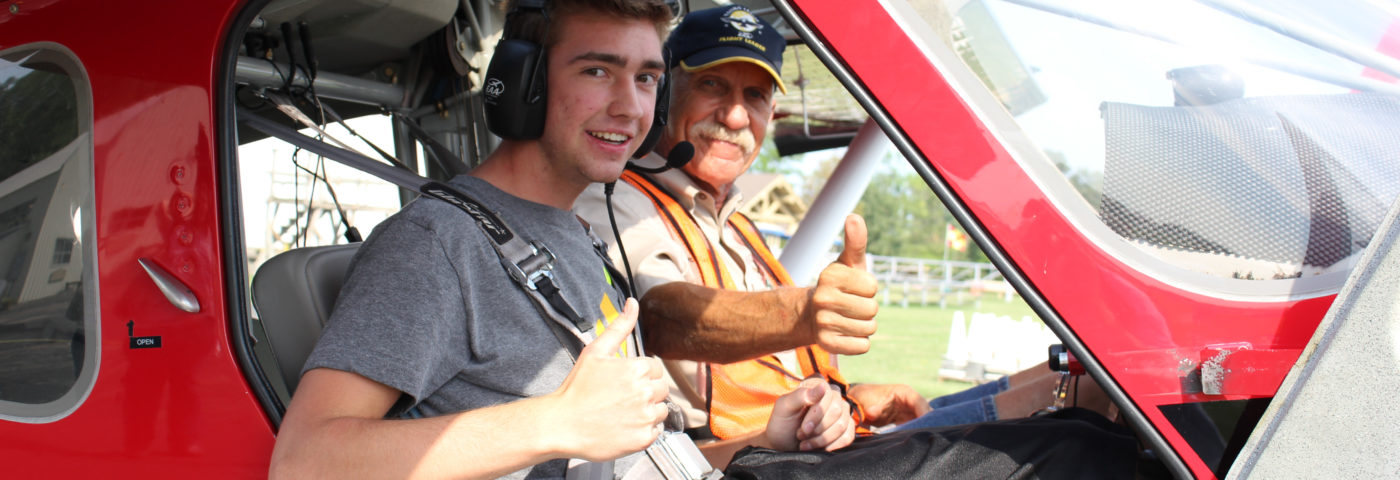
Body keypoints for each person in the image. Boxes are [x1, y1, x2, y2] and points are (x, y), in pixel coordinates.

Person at [269, 2, 853, 478]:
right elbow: (304, 462)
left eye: (646, 78)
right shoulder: (434, 245)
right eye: (597, 71)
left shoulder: (576, 237)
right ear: (524, 85)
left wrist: (765, 442)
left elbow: (629, 466)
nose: (630, 108)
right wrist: (555, 422)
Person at [574, 5, 1113, 446]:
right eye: (714, 85)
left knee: (1082, 378)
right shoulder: (617, 198)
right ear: (665, 95)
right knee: (1080, 428)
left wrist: (851, 397)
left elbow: (770, 371)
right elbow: (660, 314)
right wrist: (807, 311)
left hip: (815, 434)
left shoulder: (733, 223)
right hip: (755, 456)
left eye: (755, 96)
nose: (736, 117)